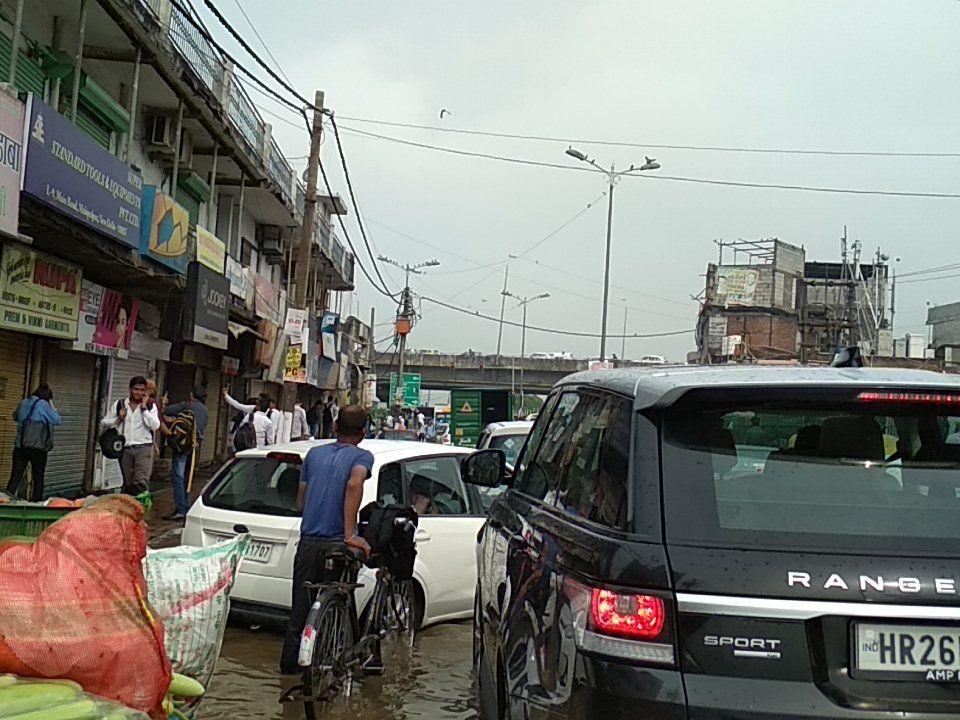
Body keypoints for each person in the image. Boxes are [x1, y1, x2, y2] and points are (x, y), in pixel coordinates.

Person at [279, 405, 374, 674]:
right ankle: (337, 668)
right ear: (363, 433)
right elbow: (355, 484)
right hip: (337, 545)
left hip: (308, 543)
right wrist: (349, 535)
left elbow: (300, 502)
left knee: (300, 612)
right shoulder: (363, 456)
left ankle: (290, 673)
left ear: (334, 428)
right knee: (339, 606)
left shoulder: (313, 454)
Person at [101, 376, 161, 495]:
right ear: (130, 389)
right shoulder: (120, 404)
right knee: (128, 484)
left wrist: (144, 410)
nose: (138, 392)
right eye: (136, 389)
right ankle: (129, 508)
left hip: (144, 448)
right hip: (125, 449)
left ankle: (141, 509)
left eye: (142, 390)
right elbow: (104, 422)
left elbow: (155, 425)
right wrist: (118, 418)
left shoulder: (149, 406)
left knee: (141, 483)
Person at [7, 384, 61, 501]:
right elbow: (57, 420)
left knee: (15, 478)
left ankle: (5, 502)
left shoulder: (24, 402)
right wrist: (51, 404)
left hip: (20, 447)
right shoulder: (43, 405)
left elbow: (15, 416)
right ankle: (36, 504)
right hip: (37, 448)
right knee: (38, 478)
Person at [162, 386, 209, 521]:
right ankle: (184, 506)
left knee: (178, 476)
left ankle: (181, 509)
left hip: (182, 446)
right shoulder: (206, 411)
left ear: (191, 395)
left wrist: (164, 402)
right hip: (195, 447)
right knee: (188, 479)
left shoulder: (186, 405)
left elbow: (166, 410)